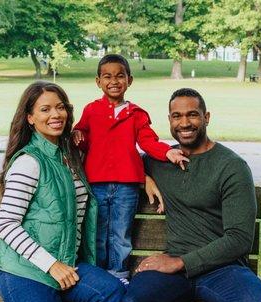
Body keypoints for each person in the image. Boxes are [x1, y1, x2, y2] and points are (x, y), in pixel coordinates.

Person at [114, 88, 261, 302]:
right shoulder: (161, 160)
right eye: (177, 116)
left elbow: (239, 239)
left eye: (192, 114)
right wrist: (143, 177)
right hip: (172, 272)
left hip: (222, 269)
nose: (185, 122)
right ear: (169, 121)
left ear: (206, 117)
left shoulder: (230, 166)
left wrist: (180, 262)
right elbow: (114, 159)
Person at [0, 81, 124, 302]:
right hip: (23, 272)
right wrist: (51, 265)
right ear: (30, 118)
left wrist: (145, 178)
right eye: (45, 109)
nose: (56, 114)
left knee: (111, 291)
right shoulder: (29, 162)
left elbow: (117, 156)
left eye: (61, 107)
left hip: (65, 264)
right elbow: (6, 225)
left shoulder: (69, 156)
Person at [73, 54, 188, 284]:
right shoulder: (91, 111)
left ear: (129, 80)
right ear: (98, 82)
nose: (114, 81)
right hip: (96, 182)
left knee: (120, 234)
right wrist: (77, 135)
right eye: (107, 76)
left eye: (120, 76)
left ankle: (118, 274)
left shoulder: (136, 114)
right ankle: (97, 275)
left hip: (126, 185)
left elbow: (148, 141)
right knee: (97, 232)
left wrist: (167, 152)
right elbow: (82, 138)